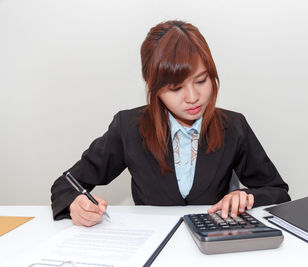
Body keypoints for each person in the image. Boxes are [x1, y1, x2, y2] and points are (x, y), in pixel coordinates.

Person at [50, 20, 290, 227]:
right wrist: (76, 204)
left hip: (212, 249)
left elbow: (278, 192)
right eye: (175, 88)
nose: (193, 97)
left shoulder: (234, 126)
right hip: (151, 248)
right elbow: (66, 185)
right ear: (154, 88)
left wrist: (245, 197)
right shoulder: (128, 127)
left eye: (201, 80)